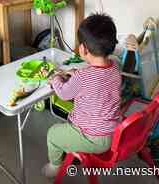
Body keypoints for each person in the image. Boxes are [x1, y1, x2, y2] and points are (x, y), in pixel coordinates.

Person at [42, 13, 138, 178]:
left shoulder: (83, 77)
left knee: (52, 134)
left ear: (83, 49)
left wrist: (55, 78)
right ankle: (73, 148)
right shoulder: (115, 67)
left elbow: (64, 94)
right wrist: (77, 74)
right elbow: (96, 81)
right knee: (72, 117)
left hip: (93, 138)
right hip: (112, 132)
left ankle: (54, 166)